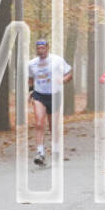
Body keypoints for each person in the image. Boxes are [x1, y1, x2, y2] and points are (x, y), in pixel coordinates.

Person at [26, 37, 72, 165]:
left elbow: (69, 74)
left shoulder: (57, 60)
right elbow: (30, 79)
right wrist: (30, 91)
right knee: (39, 123)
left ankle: (56, 150)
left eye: (42, 48)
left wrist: (63, 80)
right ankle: (40, 153)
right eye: (38, 48)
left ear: (47, 48)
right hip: (39, 95)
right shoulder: (32, 64)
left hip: (54, 95)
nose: (40, 51)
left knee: (53, 126)